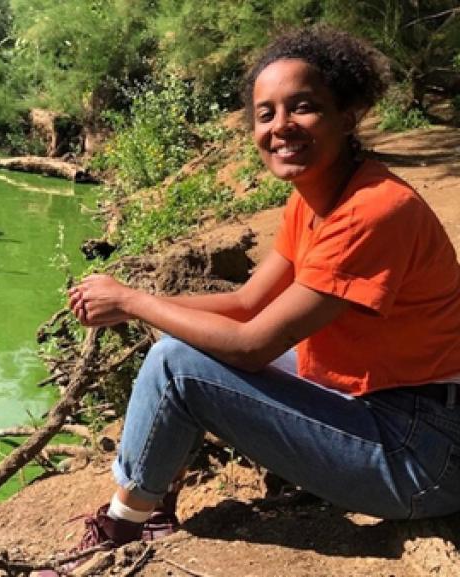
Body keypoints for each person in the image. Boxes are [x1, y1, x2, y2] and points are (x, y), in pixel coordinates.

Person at [43, 25, 460, 572]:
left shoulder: (373, 210)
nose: (280, 126)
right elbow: (247, 303)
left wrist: (132, 302)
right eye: (266, 114)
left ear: (347, 116)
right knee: (183, 336)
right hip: (389, 412)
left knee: (176, 365)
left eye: (303, 107)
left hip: (423, 454)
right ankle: (156, 493)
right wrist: (141, 301)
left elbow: (251, 345)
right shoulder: (313, 199)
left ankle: (122, 525)